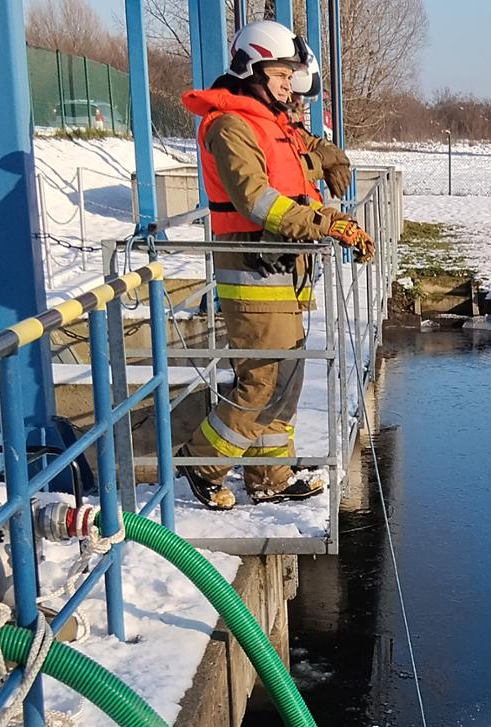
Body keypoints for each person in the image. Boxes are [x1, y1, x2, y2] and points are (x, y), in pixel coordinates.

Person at [177, 20, 371, 510]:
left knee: (287, 377)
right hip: (252, 270)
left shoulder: (270, 122)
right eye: (282, 76)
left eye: (291, 76)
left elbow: (299, 177)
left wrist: (334, 209)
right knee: (262, 378)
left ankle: (270, 477)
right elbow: (256, 201)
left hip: (283, 269)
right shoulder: (230, 126)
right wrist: (325, 226)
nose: (290, 86)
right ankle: (201, 463)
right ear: (252, 70)